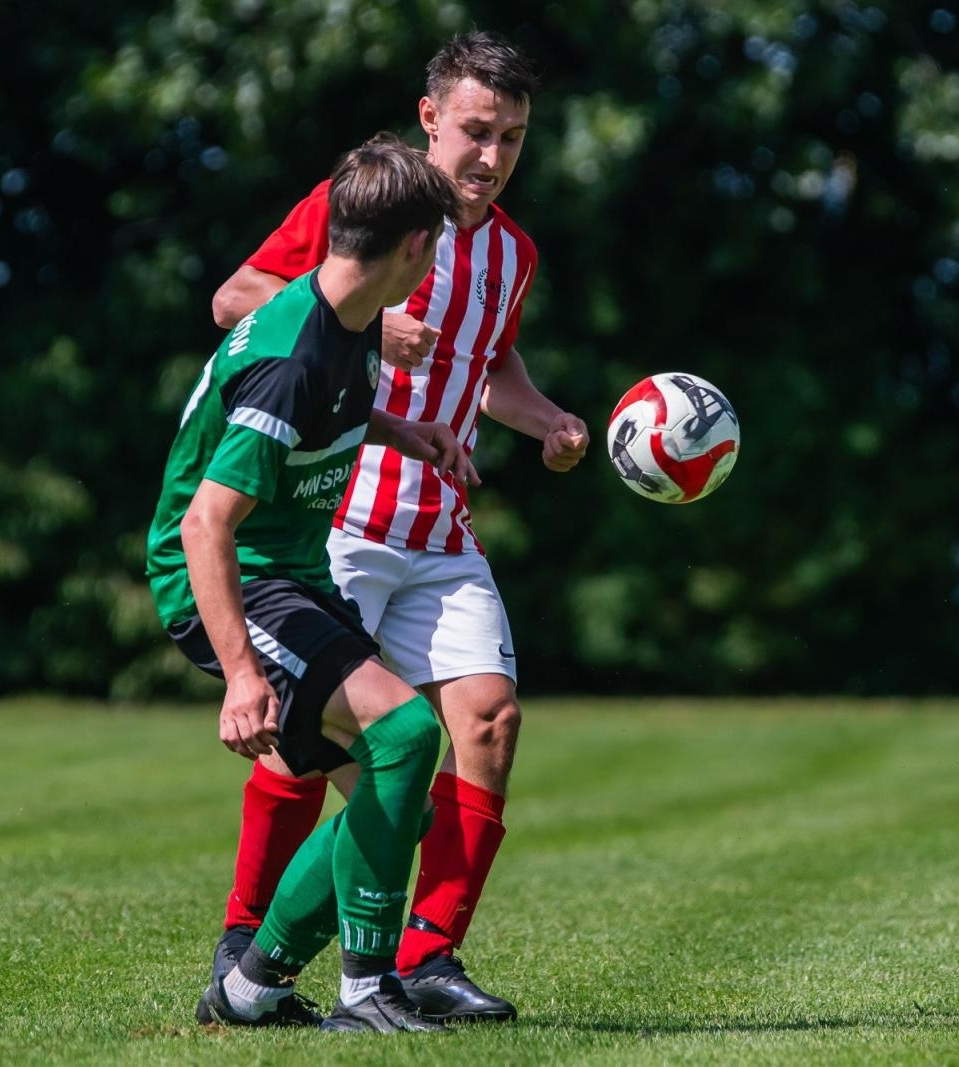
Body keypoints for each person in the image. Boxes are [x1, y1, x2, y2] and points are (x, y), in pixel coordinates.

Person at [206, 30, 588, 1024]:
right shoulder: (369, 207)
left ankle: (428, 954)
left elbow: (488, 364)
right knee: (311, 744)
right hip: (338, 514)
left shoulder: (512, 252)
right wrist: (368, 326)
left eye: (511, 137)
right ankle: (245, 937)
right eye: (474, 131)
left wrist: (544, 415)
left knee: (491, 719)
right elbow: (236, 298)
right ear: (430, 120)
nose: (491, 156)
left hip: (441, 526)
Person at [146, 134, 472, 1034]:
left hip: (289, 570)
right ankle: (367, 991)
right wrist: (245, 676)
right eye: (436, 244)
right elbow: (204, 523)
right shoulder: (294, 355)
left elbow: (334, 407)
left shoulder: (345, 315)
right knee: (406, 731)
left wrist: (403, 433)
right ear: (414, 246)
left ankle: (250, 989)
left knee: (395, 786)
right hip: (233, 575)